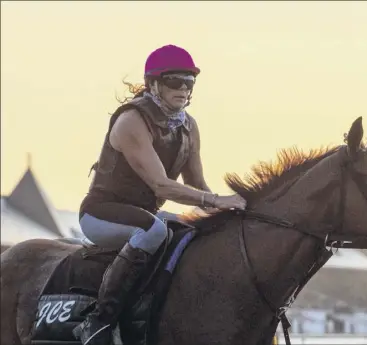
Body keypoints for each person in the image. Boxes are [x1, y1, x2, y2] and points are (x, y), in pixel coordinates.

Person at [72, 44, 247, 345]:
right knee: (154, 230)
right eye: (174, 82)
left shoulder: (189, 127)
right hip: (101, 213)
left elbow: (197, 185)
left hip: (145, 216)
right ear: (153, 84)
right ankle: (99, 321)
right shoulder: (131, 121)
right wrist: (216, 200)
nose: (183, 89)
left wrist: (227, 212)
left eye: (189, 82)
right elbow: (162, 186)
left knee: (189, 230)